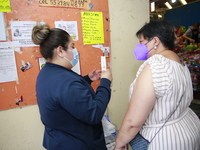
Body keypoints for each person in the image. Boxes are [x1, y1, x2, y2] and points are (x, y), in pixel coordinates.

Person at [114, 20, 200, 150]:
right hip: (188, 130)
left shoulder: (155, 65)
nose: (138, 47)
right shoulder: (180, 63)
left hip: (164, 140)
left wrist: (119, 143)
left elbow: (133, 122)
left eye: (141, 42)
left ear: (155, 41)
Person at [31, 23, 113, 150]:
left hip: (59, 141)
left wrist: (87, 79)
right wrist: (105, 83)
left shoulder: (47, 72)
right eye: (72, 46)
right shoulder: (65, 81)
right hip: (76, 143)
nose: (75, 51)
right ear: (60, 50)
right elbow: (94, 113)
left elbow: (67, 97)